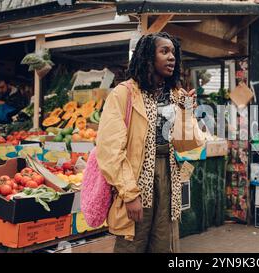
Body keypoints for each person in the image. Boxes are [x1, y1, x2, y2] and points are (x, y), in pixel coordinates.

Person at [96, 32, 196, 253]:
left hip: (168, 177)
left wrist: (187, 111)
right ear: (148, 57)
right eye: (164, 51)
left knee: (161, 244)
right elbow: (110, 149)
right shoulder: (124, 94)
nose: (172, 57)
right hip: (135, 178)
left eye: (173, 53)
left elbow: (189, 144)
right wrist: (130, 194)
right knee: (132, 243)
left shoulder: (175, 94)